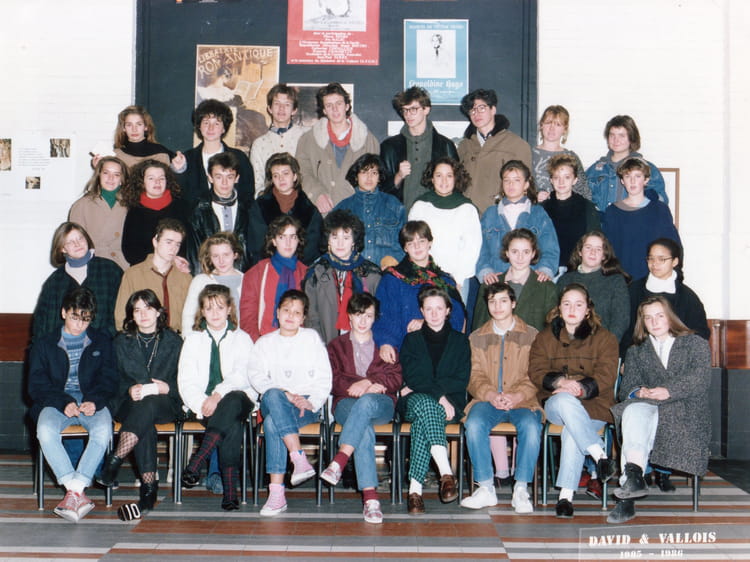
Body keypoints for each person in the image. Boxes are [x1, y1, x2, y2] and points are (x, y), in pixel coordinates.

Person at [607, 297, 711, 524]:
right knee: (631, 413)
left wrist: (669, 391)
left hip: (684, 410)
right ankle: (634, 477)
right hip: (650, 406)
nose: (654, 322)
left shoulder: (695, 343)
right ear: (642, 322)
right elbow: (626, 388)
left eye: (659, 316)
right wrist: (639, 391)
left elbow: (701, 378)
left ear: (670, 317)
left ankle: (627, 498)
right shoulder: (636, 351)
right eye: (648, 318)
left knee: (639, 427)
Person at [528, 283, 619, 518]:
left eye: (578, 304)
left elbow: (607, 375)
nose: (572, 309)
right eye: (566, 304)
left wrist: (579, 388)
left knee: (572, 431)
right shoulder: (544, 337)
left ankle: (565, 497)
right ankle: (600, 456)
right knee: (564, 401)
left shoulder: (605, 338)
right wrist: (561, 382)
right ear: (559, 308)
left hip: (594, 404)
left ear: (588, 309)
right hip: (557, 403)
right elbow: (536, 371)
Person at [28, 287, 117, 522]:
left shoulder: (102, 341)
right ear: (64, 312)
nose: (79, 325)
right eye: (75, 317)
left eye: (85, 320)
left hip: (91, 400)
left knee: (103, 430)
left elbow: (110, 380)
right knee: (44, 431)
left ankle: (73, 492)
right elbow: (36, 386)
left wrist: (95, 401)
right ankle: (75, 489)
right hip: (56, 400)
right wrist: (62, 402)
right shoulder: (44, 344)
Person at [97, 289, 183, 519]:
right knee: (144, 419)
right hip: (129, 403)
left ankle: (114, 461)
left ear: (158, 312)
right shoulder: (120, 342)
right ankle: (148, 490)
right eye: (137, 310)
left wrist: (167, 388)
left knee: (149, 404)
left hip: (165, 403)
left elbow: (186, 381)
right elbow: (110, 379)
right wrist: (128, 389)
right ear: (131, 315)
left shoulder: (174, 341)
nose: (143, 314)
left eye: (148, 308)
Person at [248, 290, 333, 516]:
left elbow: (325, 377)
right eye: (286, 310)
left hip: (304, 404)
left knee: (272, 424)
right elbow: (256, 375)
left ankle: (277, 494)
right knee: (273, 395)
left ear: (303, 317)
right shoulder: (265, 342)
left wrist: (312, 402)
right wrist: (284, 393)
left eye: (296, 312)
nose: (290, 316)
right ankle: (298, 457)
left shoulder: (311, 338)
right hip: (274, 399)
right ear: (277, 312)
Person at [322, 293, 403, 524]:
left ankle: (339, 460)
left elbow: (396, 378)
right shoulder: (336, 346)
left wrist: (369, 383)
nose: (363, 320)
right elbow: (332, 380)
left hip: (381, 404)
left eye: (368, 315)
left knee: (366, 404)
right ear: (349, 316)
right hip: (346, 403)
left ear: (375, 318)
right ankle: (371, 500)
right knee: (363, 427)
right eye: (358, 315)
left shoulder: (384, 344)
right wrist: (357, 387)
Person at [461, 282, 542, 513]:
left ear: (513, 303)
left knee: (531, 426)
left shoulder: (532, 335)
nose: (497, 306)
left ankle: (521, 489)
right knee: (474, 424)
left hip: (523, 401)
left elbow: (536, 374)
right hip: (487, 400)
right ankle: (486, 488)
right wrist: (490, 394)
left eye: (503, 301)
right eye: (492, 301)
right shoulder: (476, 337)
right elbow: (473, 375)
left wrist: (517, 395)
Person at [178, 284, 256, 511]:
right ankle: (230, 493)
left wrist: (218, 394)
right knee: (231, 424)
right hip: (204, 406)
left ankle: (198, 460)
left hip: (239, 398)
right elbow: (186, 380)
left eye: (220, 308)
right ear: (201, 311)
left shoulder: (242, 338)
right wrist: (202, 403)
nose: (215, 313)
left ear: (229, 309)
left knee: (232, 400)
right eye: (209, 308)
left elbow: (243, 374)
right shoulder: (193, 339)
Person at [399, 286, 470, 514]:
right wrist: (439, 396)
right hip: (417, 403)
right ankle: (446, 473)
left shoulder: (461, 341)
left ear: (448, 310)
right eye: (428, 309)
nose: (434, 313)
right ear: (421, 311)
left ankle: (415, 492)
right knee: (427, 405)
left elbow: (461, 379)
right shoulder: (412, 340)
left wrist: (437, 394)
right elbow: (413, 377)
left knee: (424, 420)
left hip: (451, 404)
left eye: (439, 308)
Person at [373, 220, 465, 363]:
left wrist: (429, 323)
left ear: (430, 243)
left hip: (440, 351)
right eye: (410, 243)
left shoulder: (445, 281)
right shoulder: (393, 278)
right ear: (405, 248)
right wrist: (385, 342)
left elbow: (457, 317)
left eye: (421, 241)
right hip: (404, 353)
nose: (417, 247)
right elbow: (383, 314)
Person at [296, 82, 379, 214]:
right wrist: (317, 194)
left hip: (357, 214)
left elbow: (375, 180)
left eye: (338, 103)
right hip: (322, 213)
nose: (335, 109)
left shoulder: (368, 140)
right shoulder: (308, 140)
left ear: (347, 106)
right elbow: (302, 171)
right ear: (324, 110)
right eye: (329, 105)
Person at [409, 157, 482, 304]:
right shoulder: (420, 206)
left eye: (449, 176)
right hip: (424, 275)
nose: (444, 181)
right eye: (439, 175)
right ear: (432, 179)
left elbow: (472, 247)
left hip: (456, 277)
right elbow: (412, 242)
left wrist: (459, 278)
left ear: (456, 179)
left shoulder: (467, 208)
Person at [33, 222, 123, 340]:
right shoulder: (54, 282)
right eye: (70, 242)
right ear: (62, 248)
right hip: (64, 346)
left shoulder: (110, 270)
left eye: (80, 238)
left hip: (105, 344)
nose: (77, 244)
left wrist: (102, 339)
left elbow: (123, 312)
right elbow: (42, 325)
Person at [304, 209, 382, 344]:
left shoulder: (372, 274)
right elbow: (312, 319)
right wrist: (320, 347)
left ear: (354, 241)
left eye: (346, 238)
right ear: (328, 240)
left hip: (365, 345)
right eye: (335, 237)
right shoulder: (316, 274)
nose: (340, 244)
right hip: (326, 346)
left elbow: (380, 317)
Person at [476, 160, 560, 284]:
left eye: (516, 180)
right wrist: (485, 271)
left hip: (530, 281)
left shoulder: (538, 213)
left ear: (526, 184)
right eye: (507, 180)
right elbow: (480, 248)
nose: (511, 184)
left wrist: (545, 270)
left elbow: (550, 248)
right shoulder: (490, 214)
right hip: (497, 281)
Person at [623, 237, 709, 354]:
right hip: (640, 356)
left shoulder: (687, 296)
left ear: (675, 261)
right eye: (651, 259)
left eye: (661, 259)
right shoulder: (634, 290)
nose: (655, 264)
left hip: (678, 357)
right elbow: (625, 329)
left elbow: (700, 334)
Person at [380, 86, 458, 210]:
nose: (408, 115)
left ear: (426, 109)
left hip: (436, 215)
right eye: (405, 110)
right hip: (400, 217)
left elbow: (457, 185)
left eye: (413, 109)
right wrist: (398, 176)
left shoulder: (445, 145)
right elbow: (380, 189)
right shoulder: (389, 147)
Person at [602, 157, 680, 280]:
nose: (632, 181)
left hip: (653, 278)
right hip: (622, 279)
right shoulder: (612, 212)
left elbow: (673, 246)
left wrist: (676, 276)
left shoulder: (659, 210)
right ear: (622, 181)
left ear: (646, 180)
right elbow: (607, 251)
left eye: (637, 176)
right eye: (628, 176)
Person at [457, 89, 532, 214]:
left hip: (500, 216)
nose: (477, 114)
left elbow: (526, 188)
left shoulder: (517, 145)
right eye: (472, 110)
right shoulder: (464, 146)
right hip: (467, 215)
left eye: (482, 108)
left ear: (493, 109)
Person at [171, 98, 255, 207]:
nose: (210, 128)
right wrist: (178, 172)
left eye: (216, 123)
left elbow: (247, 195)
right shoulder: (187, 158)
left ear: (224, 128)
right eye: (206, 123)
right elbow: (180, 195)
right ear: (199, 126)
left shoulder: (239, 157)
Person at [115, 218, 192, 333]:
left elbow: (193, 316)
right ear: (155, 242)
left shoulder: (185, 277)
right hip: (143, 338)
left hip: (178, 338)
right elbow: (121, 317)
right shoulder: (133, 275)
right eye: (168, 242)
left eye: (177, 244)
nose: (173, 249)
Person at [187, 152, 258, 273]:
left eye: (229, 177)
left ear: (237, 178)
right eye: (219, 177)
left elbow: (255, 249)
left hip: (243, 274)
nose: (224, 183)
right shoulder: (198, 209)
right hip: (210, 275)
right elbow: (195, 253)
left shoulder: (249, 208)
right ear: (210, 178)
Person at [473, 228, 557, 332]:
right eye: (514, 251)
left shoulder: (547, 288)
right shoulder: (489, 284)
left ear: (533, 253)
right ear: (507, 252)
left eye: (526, 252)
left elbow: (553, 331)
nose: (520, 257)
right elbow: (478, 329)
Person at [240, 216, 308, 341]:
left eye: (293, 237)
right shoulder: (256, 273)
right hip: (264, 342)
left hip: (298, 343)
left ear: (298, 240)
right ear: (274, 241)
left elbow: (311, 317)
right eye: (282, 237)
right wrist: (259, 344)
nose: (288, 243)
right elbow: (248, 318)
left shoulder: (306, 273)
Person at [248, 152, 322, 266]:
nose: (281, 179)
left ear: (295, 176)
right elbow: (257, 244)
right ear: (272, 180)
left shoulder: (310, 210)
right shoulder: (259, 207)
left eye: (285, 173)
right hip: (268, 267)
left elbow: (312, 247)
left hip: (300, 268)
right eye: (276, 175)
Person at [334, 153, 406, 268]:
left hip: (387, 272)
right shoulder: (342, 208)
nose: (369, 177)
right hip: (352, 272)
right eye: (364, 172)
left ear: (379, 177)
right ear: (356, 177)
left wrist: (393, 262)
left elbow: (406, 243)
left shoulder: (394, 205)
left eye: (374, 173)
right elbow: (331, 244)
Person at [558, 231, 631, 344]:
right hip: (567, 345)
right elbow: (556, 317)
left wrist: (607, 346)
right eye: (588, 247)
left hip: (602, 346)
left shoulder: (615, 281)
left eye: (598, 249)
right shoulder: (565, 280)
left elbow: (621, 320)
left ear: (604, 255)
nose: (593, 252)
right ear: (580, 251)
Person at [586, 115, 668, 213]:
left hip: (634, 221)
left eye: (621, 136)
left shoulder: (648, 169)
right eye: (612, 135)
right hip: (602, 222)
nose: (616, 140)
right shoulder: (595, 170)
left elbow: (661, 204)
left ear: (631, 138)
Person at [120, 159, 190, 268]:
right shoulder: (135, 211)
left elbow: (189, 245)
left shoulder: (182, 207)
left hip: (176, 267)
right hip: (144, 269)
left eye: (161, 178)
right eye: (151, 178)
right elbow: (129, 251)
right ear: (142, 182)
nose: (157, 182)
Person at [541, 154, 601, 277]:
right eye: (556, 177)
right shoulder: (542, 209)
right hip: (548, 270)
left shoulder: (587, 207)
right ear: (551, 180)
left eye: (567, 177)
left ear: (575, 180)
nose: (561, 182)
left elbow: (594, 242)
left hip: (578, 270)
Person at [69, 156, 130, 270]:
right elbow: (75, 242)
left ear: (122, 179)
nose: (111, 178)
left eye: (116, 174)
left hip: (124, 265)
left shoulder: (131, 204)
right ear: (99, 175)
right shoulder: (82, 205)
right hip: (94, 267)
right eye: (106, 173)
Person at [250, 84, 310, 198]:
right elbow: (257, 184)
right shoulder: (259, 144)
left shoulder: (306, 136)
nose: (281, 108)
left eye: (287, 104)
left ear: (294, 110)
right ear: (269, 108)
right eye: (277, 104)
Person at [183, 232, 246, 332]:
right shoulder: (200, 281)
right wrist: (189, 339)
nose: (221, 261)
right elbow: (188, 316)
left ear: (235, 254)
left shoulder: (247, 280)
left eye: (226, 255)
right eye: (215, 256)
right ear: (210, 258)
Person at [531, 105, 591, 201]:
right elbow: (519, 188)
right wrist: (534, 197)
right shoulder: (529, 155)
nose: (552, 128)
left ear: (565, 129)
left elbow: (584, 193)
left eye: (558, 124)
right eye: (548, 123)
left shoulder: (571, 157)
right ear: (541, 125)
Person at [93, 105, 173, 169]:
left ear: (146, 127)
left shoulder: (161, 153)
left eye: (139, 124)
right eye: (129, 125)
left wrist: (177, 168)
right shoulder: (117, 155)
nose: (134, 129)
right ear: (123, 128)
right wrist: (99, 168)